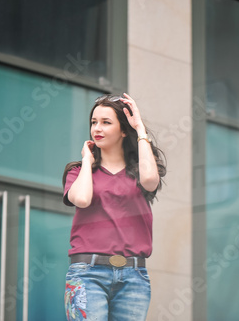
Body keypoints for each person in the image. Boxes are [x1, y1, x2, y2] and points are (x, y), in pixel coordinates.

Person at [62, 93, 166, 321]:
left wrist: (139, 128)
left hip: (134, 275)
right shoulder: (77, 171)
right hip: (87, 274)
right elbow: (82, 199)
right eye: (93, 122)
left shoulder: (139, 172)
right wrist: (88, 162)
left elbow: (151, 180)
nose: (97, 128)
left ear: (123, 130)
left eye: (106, 122)